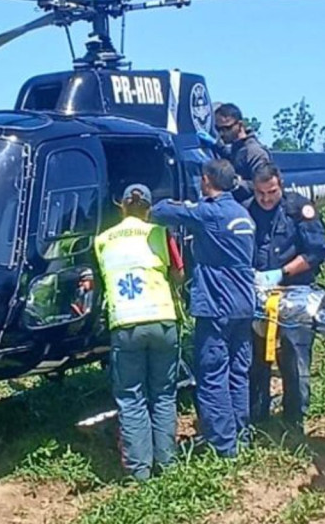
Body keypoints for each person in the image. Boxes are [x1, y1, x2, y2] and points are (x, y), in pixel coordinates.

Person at [150, 160, 257, 457]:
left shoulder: (210, 212)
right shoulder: (243, 214)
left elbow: (161, 212)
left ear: (208, 181)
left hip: (216, 304)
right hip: (243, 304)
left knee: (212, 373)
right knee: (238, 371)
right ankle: (241, 436)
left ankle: (223, 445)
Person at [94, 184, 183, 481]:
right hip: (162, 320)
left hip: (126, 324)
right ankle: (168, 465)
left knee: (131, 398)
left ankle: (139, 472)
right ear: (148, 208)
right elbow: (179, 273)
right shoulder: (159, 233)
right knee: (163, 394)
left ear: (122, 207)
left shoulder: (103, 240)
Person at [244, 164, 325, 429]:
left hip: (296, 291)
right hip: (259, 291)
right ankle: (257, 414)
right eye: (260, 193)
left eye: (271, 192)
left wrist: (281, 273)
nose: (266, 199)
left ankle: (294, 418)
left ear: (280, 183)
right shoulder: (247, 210)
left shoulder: (298, 209)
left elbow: (318, 251)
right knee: (255, 357)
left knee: (294, 354)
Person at [213, 103, 272, 201]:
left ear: (240, 125)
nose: (222, 133)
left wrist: (235, 183)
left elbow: (265, 184)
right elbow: (232, 157)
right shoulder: (237, 148)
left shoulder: (254, 152)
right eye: (218, 129)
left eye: (227, 128)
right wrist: (216, 146)